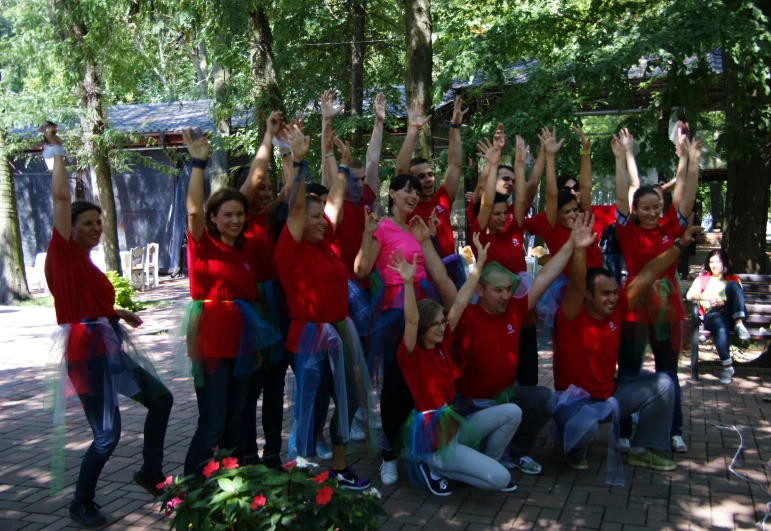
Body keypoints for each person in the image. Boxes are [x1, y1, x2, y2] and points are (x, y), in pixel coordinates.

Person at [42, 123, 173, 527]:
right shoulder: (62, 252)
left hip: (107, 345)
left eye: (99, 224)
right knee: (106, 436)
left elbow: (89, 300)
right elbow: (62, 196)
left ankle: (150, 472)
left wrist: (118, 313)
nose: (96, 229)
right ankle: (82, 502)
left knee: (162, 400)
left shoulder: (85, 262)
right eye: (88, 224)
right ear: (69, 229)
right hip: (85, 352)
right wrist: (57, 153)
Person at [552, 213, 702, 480]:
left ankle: (643, 449)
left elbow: (648, 274)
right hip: (574, 404)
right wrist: (579, 249)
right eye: (605, 294)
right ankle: (573, 450)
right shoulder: (571, 315)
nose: (612, 299)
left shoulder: (617, 308)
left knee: (664, 384)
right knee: (586, 430)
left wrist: (679, 245)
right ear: (588, 296)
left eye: (614, 292)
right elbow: (576, 283)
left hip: (609, 398)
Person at [454, 210, 601, 477]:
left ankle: (518, 453)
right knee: (508, 413)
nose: (505, 296)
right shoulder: (466, 316)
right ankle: (489, 463)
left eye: (508, 289)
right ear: (480, 290)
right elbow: (444, 283)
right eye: (498, 290)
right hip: (469, 408)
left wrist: (571, 244)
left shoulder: (513, 310)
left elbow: (544, 277)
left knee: (543, 398)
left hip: (504, 400)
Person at [274, 112, 374, 490]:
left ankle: (338, 465)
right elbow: (299, 206)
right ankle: (298, 473)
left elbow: (332, 199)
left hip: (340, 330)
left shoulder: (327, 247)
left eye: (322, 217)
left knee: (345, 399)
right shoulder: (292, 247)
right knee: (308, 403)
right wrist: (297, 162)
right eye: (312, 216)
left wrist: (337, 156)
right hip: (310, 334)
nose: (320, 220)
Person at [182, 129, 280, 477]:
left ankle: (232, 483)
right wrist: (198, 163)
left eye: (239, 214)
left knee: (238, 420)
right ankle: (191, 490)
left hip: (243, 348)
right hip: (212, 346)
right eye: (227, 215)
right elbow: (193, 212)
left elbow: (250, 308)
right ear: (213, 218)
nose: (235, 220)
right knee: (212, 422)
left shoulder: (245, 253)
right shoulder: (204, 246)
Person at [392, 235, 521, 495]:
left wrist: (480, 266)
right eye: (435, 324)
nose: (442, 328)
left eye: (443, 322)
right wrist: (407, 284)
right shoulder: (411, 354)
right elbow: (412, 321)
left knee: (513, 411)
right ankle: (431, 463)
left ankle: (479, 463)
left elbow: (461, 301)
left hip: (454, 428)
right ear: (423, 328)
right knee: (502, 480)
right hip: (434, 440)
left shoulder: (442, 343)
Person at [355, 172, 447, 486]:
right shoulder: (381, 226)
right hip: (395, 314)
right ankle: (388, 456)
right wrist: (367, 235)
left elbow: (435, 270)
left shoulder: (417, 227)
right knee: (394, 388)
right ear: (391, 194)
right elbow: (362, 269)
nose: (413, 196)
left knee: (421, 384)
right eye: (406, 190)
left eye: (416, 192)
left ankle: (417, 448)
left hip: (424, 309)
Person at [614, 128, 699, 453]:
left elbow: (686, 196)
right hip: (634, 307)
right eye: (645, 207)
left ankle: (673, 429)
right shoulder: (627, 232)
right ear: (635, 210)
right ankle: (623, 429)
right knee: (630, 371)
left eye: (657, 207)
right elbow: (622, 196)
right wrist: (621, 158)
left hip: (667, 308)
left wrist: (692, 161)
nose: (652, 212)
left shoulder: (670, 227)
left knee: (668, 371)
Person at [235, 111, 293, 468]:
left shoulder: (270, 218)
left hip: (278, 309)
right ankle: (246, 454)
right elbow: (255, 175)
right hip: (251, 312)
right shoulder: (238, 222)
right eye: (259, 186)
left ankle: (272, 453)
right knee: (250, 388)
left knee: (275, 388)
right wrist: (269, 138)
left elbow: (291, 187)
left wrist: (288, 147)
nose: (265, 189)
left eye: (268, 187)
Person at [471, 133, 540, 385]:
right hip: (493, 307)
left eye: (504, 213)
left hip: (519, 307)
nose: (501, 217)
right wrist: (491, 165)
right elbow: (486, 203)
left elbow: (523, 197)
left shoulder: (513, 228)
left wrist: (520, 164)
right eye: (496, 213)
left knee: (528, 373)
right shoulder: (478, 234)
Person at [396, 98, 466, 258]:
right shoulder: (407, 208)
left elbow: (455, 165)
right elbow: (400, 169)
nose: (428, 179)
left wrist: (454, 126)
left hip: (450, 274)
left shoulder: (442, 199)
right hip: (422, 276)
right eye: (421, 177)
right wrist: (413, 129)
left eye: (430, 174)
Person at [686, 249, 750, 384]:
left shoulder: (734, 279)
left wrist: (724, 302)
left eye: (717, 261)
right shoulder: (703, 279)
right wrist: (708, 298)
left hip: (732, 314)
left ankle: (739, 325)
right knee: (720, 326)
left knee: (733, 286)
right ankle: (727, 367)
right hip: (713, 314)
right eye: (711, 262)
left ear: (725, 263)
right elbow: (690, 295)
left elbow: (738, 299)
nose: (714, 265)